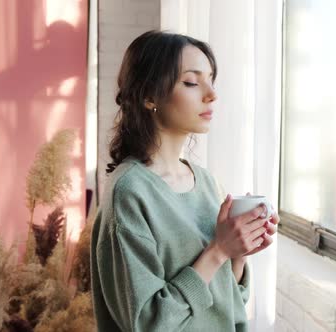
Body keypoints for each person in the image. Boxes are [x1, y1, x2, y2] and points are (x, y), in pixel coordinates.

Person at [90, 30, 279, 332]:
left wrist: (237, 255)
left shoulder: (205, 182)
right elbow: (148, 323)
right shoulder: (129, 194)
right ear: (150, 96)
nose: (211, 94)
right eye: (192, 82)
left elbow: (228, 305)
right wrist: (217, 250)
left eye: (211, 80)